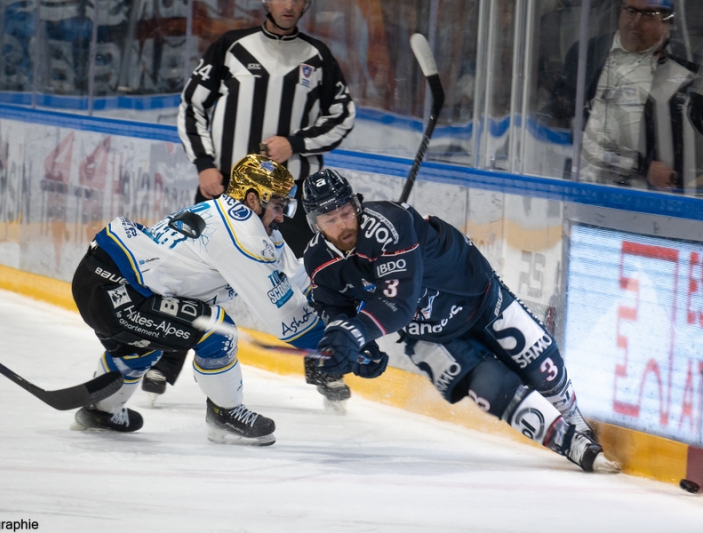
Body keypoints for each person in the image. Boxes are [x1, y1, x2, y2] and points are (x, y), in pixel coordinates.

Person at [300, 168, 621, 473]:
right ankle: (571, 445)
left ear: (356, 204)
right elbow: (334, 305)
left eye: (346, 212)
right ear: (316, 224)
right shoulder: (318, 260)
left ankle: (574, 419)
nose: (344, 224)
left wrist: (356, 333)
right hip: (426, 333)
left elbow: (399, 303)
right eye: (331, 219)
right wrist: (356, 342)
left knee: (536, 357)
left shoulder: (389, 225)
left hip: (471, 291)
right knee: (490, 386)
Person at [70, 155, 323, 446]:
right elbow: (287, 319)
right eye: (278, 206)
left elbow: (295, 279)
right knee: (216, 328)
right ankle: (224, 415)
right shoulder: (243, 234)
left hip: (106, 278)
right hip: (116, 291)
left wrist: (336, 278)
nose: (281, 217)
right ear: (253, 199)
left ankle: (101, 411)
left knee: (144, 346)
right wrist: (345, 345)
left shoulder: (237, 217)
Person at [177, 0, 356, 256]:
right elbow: (193, 104)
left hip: (290, 196)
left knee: (291, 277)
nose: (289, 5)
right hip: (227, 187)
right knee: (209, 269)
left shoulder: (317, 57)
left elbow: (343, 116)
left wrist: (295, 143)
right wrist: (204, 164)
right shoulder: (232, 46)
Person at [551, 0, 699, 190]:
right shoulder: (587, 53)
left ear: (666, 22)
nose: (635, 21)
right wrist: (642, 167)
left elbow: (685, 148)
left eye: (647, 14)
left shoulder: (685, 68)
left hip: (650, 198)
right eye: (631, 11)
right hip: (584, 188)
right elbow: (571, 123)